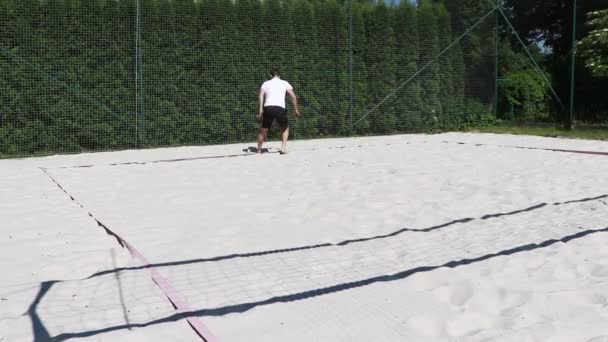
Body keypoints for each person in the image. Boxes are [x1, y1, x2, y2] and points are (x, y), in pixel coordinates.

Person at [257, 66, 301, 154]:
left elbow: (261, 96)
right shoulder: (284, 83)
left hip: (268, 108)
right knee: (285, 128)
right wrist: (295, 110)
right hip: (280, 108)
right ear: (279, 76)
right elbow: (293, 96)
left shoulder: (266, 83)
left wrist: (261, 109)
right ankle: (283, 148)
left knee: (263, 130)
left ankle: (258, 150)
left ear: (271, 75)